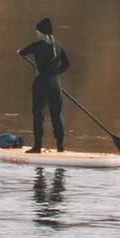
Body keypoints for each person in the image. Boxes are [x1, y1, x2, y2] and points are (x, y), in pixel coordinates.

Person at [22, 14, 70, 153]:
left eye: (37, 31)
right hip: (56, 84)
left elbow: (22, 52)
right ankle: (60, 146)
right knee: (57, 115)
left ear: (41, 32)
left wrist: (20, 51)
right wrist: (55, 73)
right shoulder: (59, 45)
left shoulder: (36, 46)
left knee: (39, 114)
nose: (36, 33)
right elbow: (67, 64)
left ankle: (37, 146)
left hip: (41, 83)